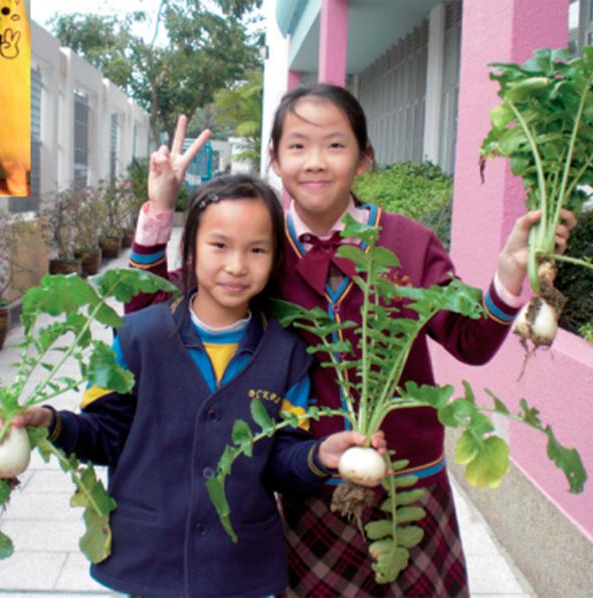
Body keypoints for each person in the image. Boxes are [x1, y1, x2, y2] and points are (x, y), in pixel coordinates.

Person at [126, 84, 576, 596]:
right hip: (309, 487)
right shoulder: (258, 249)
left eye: (335, 145)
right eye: (298, 146)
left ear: (364, 159)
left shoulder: (409, 242)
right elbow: (151, 321)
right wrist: (159, 209)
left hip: (410, 489)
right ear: (275, 159)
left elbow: (469, 341)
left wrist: (508, 273)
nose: (315, 162)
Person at [0, 174, 386, 597]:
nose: (237, 265)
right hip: (148, 562)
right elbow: (105, 436)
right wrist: (48, 422)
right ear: (190, 248)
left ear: (275, 260)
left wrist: (320, 455)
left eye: (257, 250)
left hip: (239, 568)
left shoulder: (288, 354)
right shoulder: (135, 337)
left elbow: (278, 462)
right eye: (220, 245)